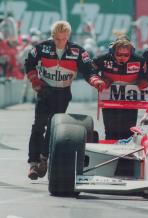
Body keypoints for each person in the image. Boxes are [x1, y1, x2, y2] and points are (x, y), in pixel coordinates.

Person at [25, 20, 105, 180]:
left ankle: (44, 158)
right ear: (52, 36)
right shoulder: (41, 47)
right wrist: (35, 80)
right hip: (44, 90)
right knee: (38, 126)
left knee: (54, 127)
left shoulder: (78, 51)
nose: (60, 42)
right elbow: (29, 63)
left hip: (62, 93)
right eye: (57, 39)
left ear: (68, 36)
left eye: (63, 39)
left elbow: (89, 70)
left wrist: (95, 81)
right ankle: (33, 163)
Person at [92, 36, 148, 140]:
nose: (122, 57)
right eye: (118, 54)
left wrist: (143, 81)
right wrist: (100, 79)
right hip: (109, 99)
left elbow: (145, 78)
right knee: (110, 131)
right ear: (113, 51)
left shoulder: (140, 60)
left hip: (131, 100)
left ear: (131, 53)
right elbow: (90, 71)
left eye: (126, 55)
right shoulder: (102, 59)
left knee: (129, 132)